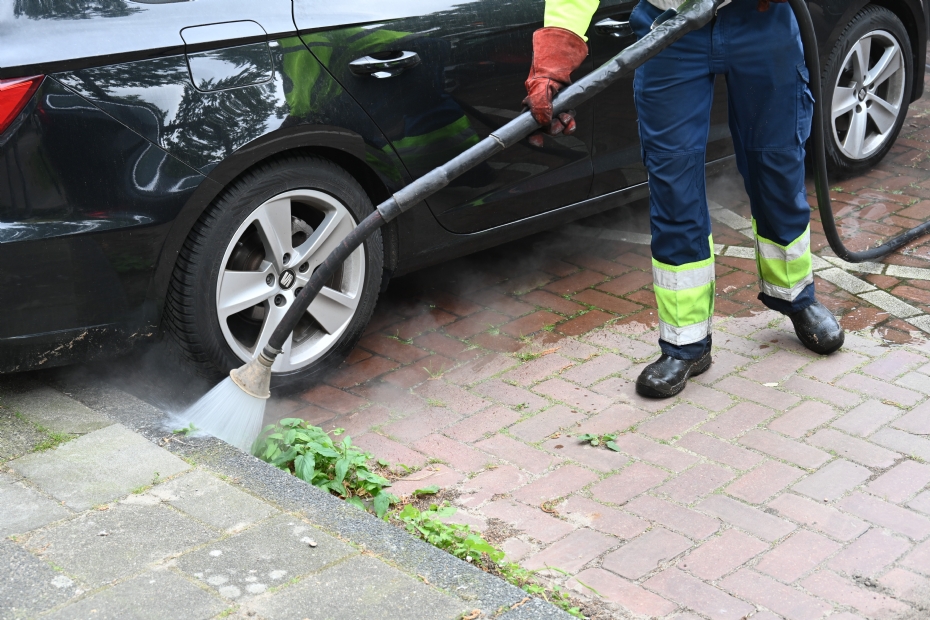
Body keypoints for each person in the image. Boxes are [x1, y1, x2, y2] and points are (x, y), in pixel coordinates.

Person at [524, 0, 844, 398]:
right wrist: (554, 57)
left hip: (761, 22)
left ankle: (794, 296)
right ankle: (685, 343)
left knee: (777, 168)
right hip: (669, 29)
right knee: (674, 188)